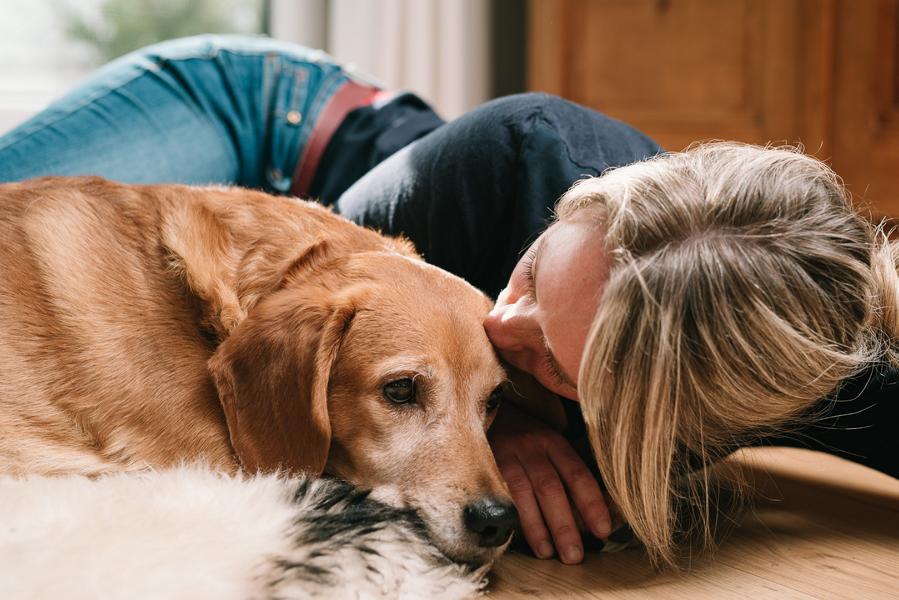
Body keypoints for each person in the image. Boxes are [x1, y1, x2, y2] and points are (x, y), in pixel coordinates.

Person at [2, 35, 896, 568]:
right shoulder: (504, 163)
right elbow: (310, 316)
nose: (500, 328)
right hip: (264, 117)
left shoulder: (802, 362)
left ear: (660, 414)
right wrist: (500, 423)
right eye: (533, 276)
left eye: (546, 364)